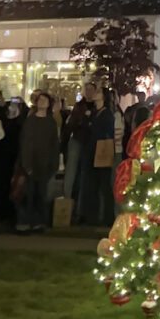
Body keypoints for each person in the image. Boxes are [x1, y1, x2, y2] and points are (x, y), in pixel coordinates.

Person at [16, 91, 60, 232]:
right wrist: (26, 163)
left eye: (45, 101)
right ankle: (26, 222)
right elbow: (25, 143)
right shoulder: (30, 121)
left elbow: (54, 144)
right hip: (30, 163)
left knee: (41, 194)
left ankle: (39, 222)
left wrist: (53, 163)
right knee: (29, 194)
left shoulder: (50, 122)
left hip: (45, 164)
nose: (42, 102)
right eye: (40, 100)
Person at [81, 84, 115, 227]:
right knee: (92, 185)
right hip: (92, 151)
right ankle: (92, 217)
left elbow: (107, 132)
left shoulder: (107, 113)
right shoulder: (94, 112)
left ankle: (107, 217)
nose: (96, 93)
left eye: (99, 92)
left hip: (101, 151)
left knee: (104, 186)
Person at [61, 82, 96, 210]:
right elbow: (71, 124)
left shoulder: (97, 106)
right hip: (78, 139)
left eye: (91, 89)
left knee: (84, 172)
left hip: (89, 142)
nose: (89, 92)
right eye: (87, 89)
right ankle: (67, 201)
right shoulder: (79, 106)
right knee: (72, 170)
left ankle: (81, 204)